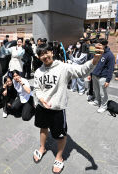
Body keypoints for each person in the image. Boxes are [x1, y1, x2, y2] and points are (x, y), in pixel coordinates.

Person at [33, 43, 103, 173]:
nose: (45, 56)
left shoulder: (63, 67)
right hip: (42, 107)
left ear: (52, 53)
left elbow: (81, 70)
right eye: (41, 54)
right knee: (43, 129)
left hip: (58, 109)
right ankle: (42, 148)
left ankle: (59, 157)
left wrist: (95, 60)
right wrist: (41, 99)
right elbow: (37, 88)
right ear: (38, 57)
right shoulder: (38, 71)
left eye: (46, 52)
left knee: (60, 135)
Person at [90, 39, 115, 113]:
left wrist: (108, 80)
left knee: (103, 93)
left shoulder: (110, 55)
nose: (97, 45)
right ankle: (97, 101)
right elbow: (92, 61)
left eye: (100, 44)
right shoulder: (96, 51)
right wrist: (90, 73)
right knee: (96, 90)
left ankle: (104, 106)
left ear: (105, 45)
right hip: (94, 75)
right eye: (97, 44)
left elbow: (111, 69)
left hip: (103, 77)